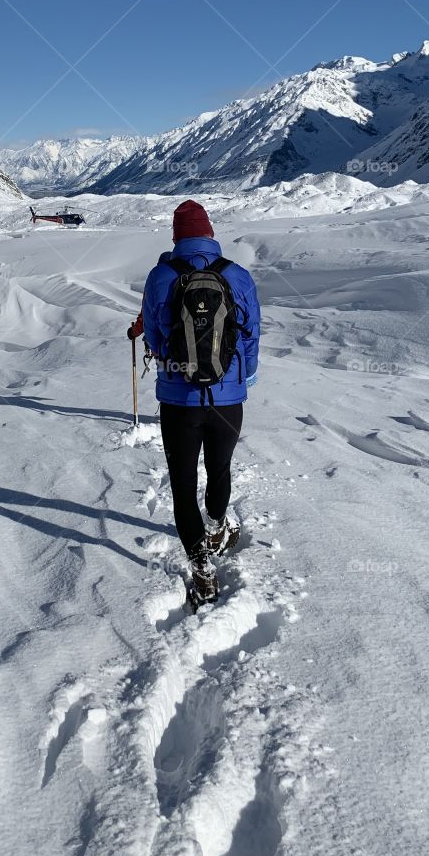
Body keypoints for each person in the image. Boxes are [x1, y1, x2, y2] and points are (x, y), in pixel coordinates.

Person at [128, 200, 261, 606]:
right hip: (228, 398)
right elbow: (252, 333)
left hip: (177, 398)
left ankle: (201, 567)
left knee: (183, 484)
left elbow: (152, 333)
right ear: (210, 233)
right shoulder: (237, 275)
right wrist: (244, 377)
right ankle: (218, 527)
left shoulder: (160, 276)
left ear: (176, 235)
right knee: (219, 469)